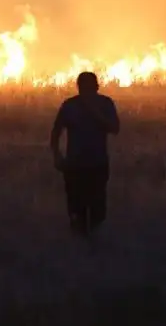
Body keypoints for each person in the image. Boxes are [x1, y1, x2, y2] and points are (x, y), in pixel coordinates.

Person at [50, 71, 120, 240]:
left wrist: (96, 115)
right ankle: (79, 247)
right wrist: (57, 156)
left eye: (89, 86)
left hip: (97, 164)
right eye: (84, 87)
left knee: (97, 211)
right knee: (76, 210)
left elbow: (115, 129)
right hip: (75, 166)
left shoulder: (105, 104)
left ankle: (94, 247)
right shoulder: (70, 105)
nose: (86, 90)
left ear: (97, 87)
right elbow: (56, 132)